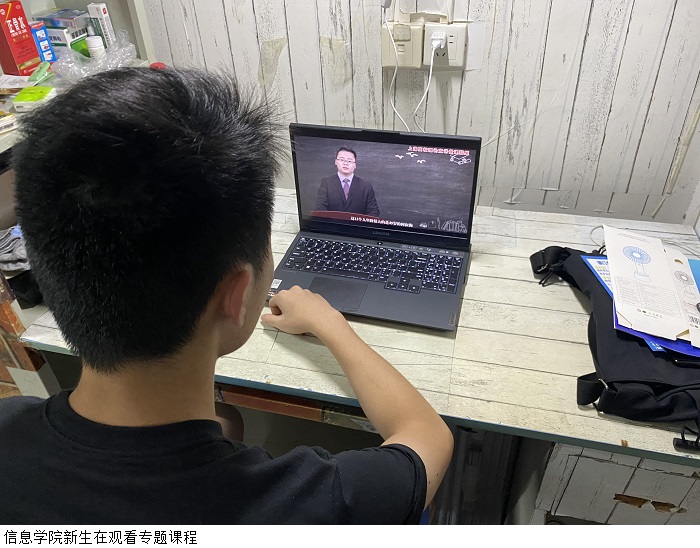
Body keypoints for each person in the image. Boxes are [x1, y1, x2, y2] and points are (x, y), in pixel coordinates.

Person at [0, 67, 453, 524]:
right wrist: (328, 321)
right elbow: (427, 435)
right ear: (235, 296)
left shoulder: (9, 422)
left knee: (227, 421)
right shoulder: (320, 501)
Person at [315, 147, 380, 216]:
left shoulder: (366, 186)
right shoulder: (326, 183)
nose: (345, 163)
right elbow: (320, 207)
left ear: (355, 165)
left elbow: (373, 211)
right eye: (342, 160)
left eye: (349, 161)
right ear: (336, 162)